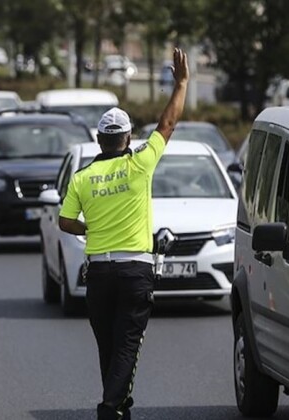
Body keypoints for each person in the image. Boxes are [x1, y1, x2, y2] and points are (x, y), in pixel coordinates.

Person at [58, 48, 189, 420]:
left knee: (109, 347)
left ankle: (119, 409)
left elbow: (65, 222)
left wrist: (90, 228)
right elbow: (167, 124)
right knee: (127, 347)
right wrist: (181, 83)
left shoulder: (82, 178)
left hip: (98, 273)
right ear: (128, 138)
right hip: (134, 271)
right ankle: (109, 408)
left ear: (99, 141)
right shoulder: (140, 164)